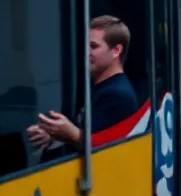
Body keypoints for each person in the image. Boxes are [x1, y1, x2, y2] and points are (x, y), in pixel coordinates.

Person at [27, 16, 138, 157]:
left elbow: (107, 149)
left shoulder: (119, 96)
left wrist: (73, 135)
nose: (86, 52)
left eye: (93, 46)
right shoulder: (99, 86)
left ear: (116, 50)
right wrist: (52, 134)